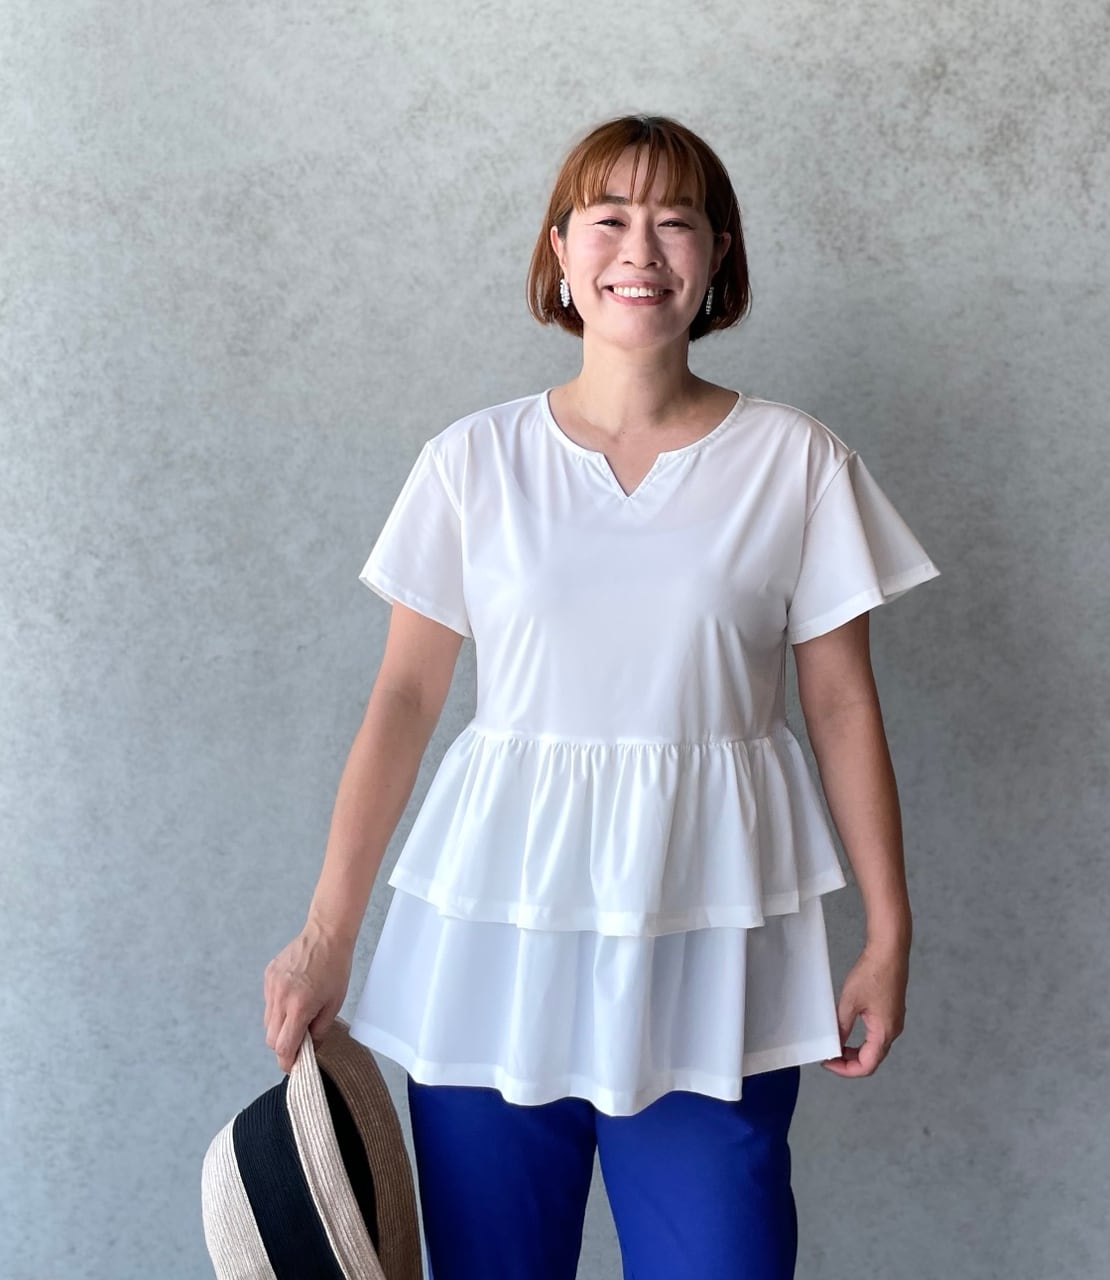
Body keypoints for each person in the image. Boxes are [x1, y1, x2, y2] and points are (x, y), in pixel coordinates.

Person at [262, 113, 939, 1280]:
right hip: (494, 937)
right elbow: (404, 700)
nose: (640, 248)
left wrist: (887, 931)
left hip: (708, 943)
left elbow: (839, 707)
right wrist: (326, 934)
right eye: (609, 218)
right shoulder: (472, 461)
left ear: (717, 254)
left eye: (675, 221)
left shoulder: (796, 461)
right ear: (560, 250)